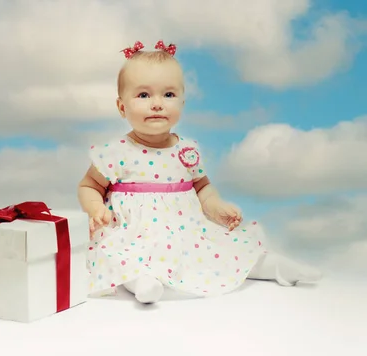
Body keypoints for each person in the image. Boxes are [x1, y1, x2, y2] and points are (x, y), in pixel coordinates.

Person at [77, 40, 323, 304]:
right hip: (134, 233)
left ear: (182, 103)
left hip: (186, 231)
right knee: (122, 256)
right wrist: (96, 209)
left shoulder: (187, 149)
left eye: (168, 95)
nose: (157, 104)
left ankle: (272, 266)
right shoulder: (116, 152)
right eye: (144, 95)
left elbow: (202, 186)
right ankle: (142, 282)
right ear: (122, 107)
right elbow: (89, 185)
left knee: (224, 252)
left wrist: (215, 205)